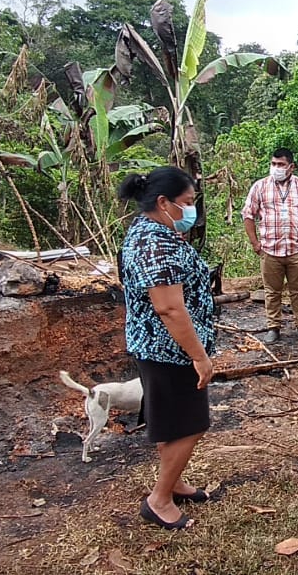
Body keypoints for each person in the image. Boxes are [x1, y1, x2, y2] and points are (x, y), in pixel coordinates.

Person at [118, 167, 218, 531]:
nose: (191, 210)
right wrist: (199, 356)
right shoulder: (155, 243)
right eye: (187, 202)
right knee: (191, 425)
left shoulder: (152, 231)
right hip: (170, 350)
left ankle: (173, 482)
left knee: (173, 423)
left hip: (158, 346)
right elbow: (169, 308)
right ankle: (159, 500)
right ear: (164, 202)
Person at [241, 148, 298, 344]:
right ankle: (273, 327)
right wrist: (255, 243)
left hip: (297, 250)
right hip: (270, 250)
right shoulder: (260, 186)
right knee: (272, 292)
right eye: (273, 164)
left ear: (291, 167)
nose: (276, 168)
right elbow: (248, 215)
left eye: (280, 165)